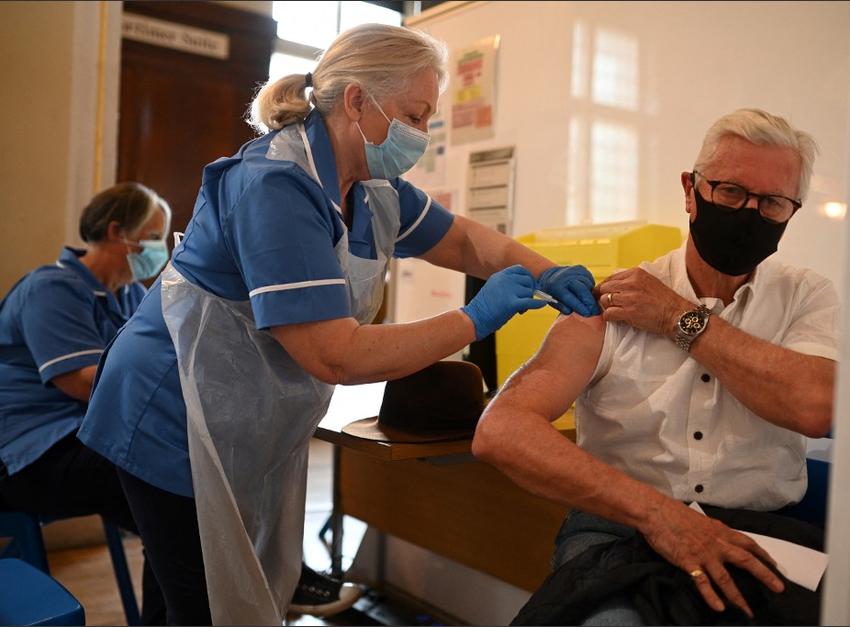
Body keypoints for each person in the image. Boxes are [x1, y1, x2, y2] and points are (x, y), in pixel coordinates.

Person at [76, 23, 600, 626]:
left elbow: (463, 240)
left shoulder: (372, 188)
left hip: (232, 409)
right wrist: (473, 317)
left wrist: (547, 271)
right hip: (171, 409)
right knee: (205, 602)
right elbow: (336, 356)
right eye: (414, 114)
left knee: (189, 591)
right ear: (356, 101)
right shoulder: (276, 185)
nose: (421, 134)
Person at [473, 109, 839, 625]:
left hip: (759, 534)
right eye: (731, 192)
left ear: (791, 212)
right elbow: (501, 431)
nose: (749, 212)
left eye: (772, 202)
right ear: (691, 191)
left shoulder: (806, 296)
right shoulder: (618, 299)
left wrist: (675, 317)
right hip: (620, 528)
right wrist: (661, 516)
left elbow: (813, 408)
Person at [0, 181, 171, 624]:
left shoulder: (130, 296)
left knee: (176, 507)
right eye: (152, 237)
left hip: (81, 440)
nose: (158, 250)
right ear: (117, 231)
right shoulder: (51, 289)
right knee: (165, 489)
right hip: (28, 453)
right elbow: (79, 382)